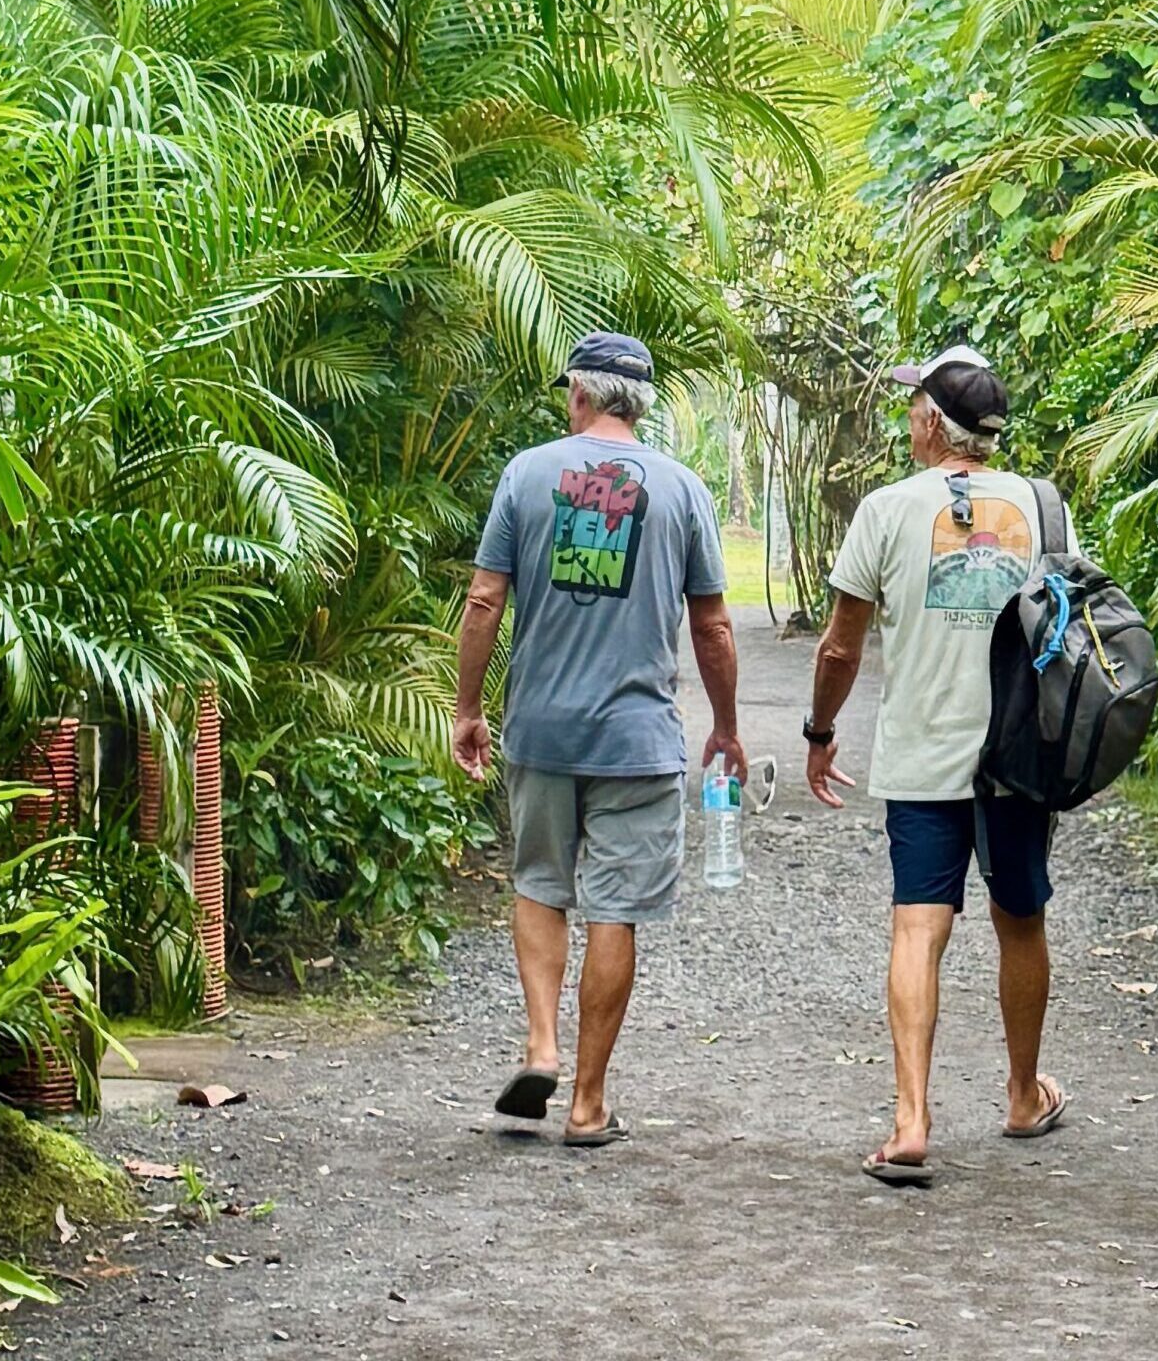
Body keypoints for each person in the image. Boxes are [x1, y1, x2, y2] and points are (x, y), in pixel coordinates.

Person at [454, 331, 744, 1148]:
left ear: (578, 396)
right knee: (615, 909)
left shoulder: (526, 474)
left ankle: (540, 1043)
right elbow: (714, 626)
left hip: (541, 727)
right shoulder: (683, 488)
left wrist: (468, 707)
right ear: (640, 405)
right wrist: (724, 727)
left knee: (541, 882)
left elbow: (483, 601)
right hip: (637, 737)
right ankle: (587, 1104)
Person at [803, 345, 1067, 1185]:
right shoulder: (1042, 505)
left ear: (928, 424)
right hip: (1019, 757)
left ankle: (911, 1122)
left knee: (920, 925)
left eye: (914, 409)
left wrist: (820, 730)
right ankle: (1023, 1093)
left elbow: (842, 645)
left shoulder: (886, 508)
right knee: (1020, 918)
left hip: (923, 750)